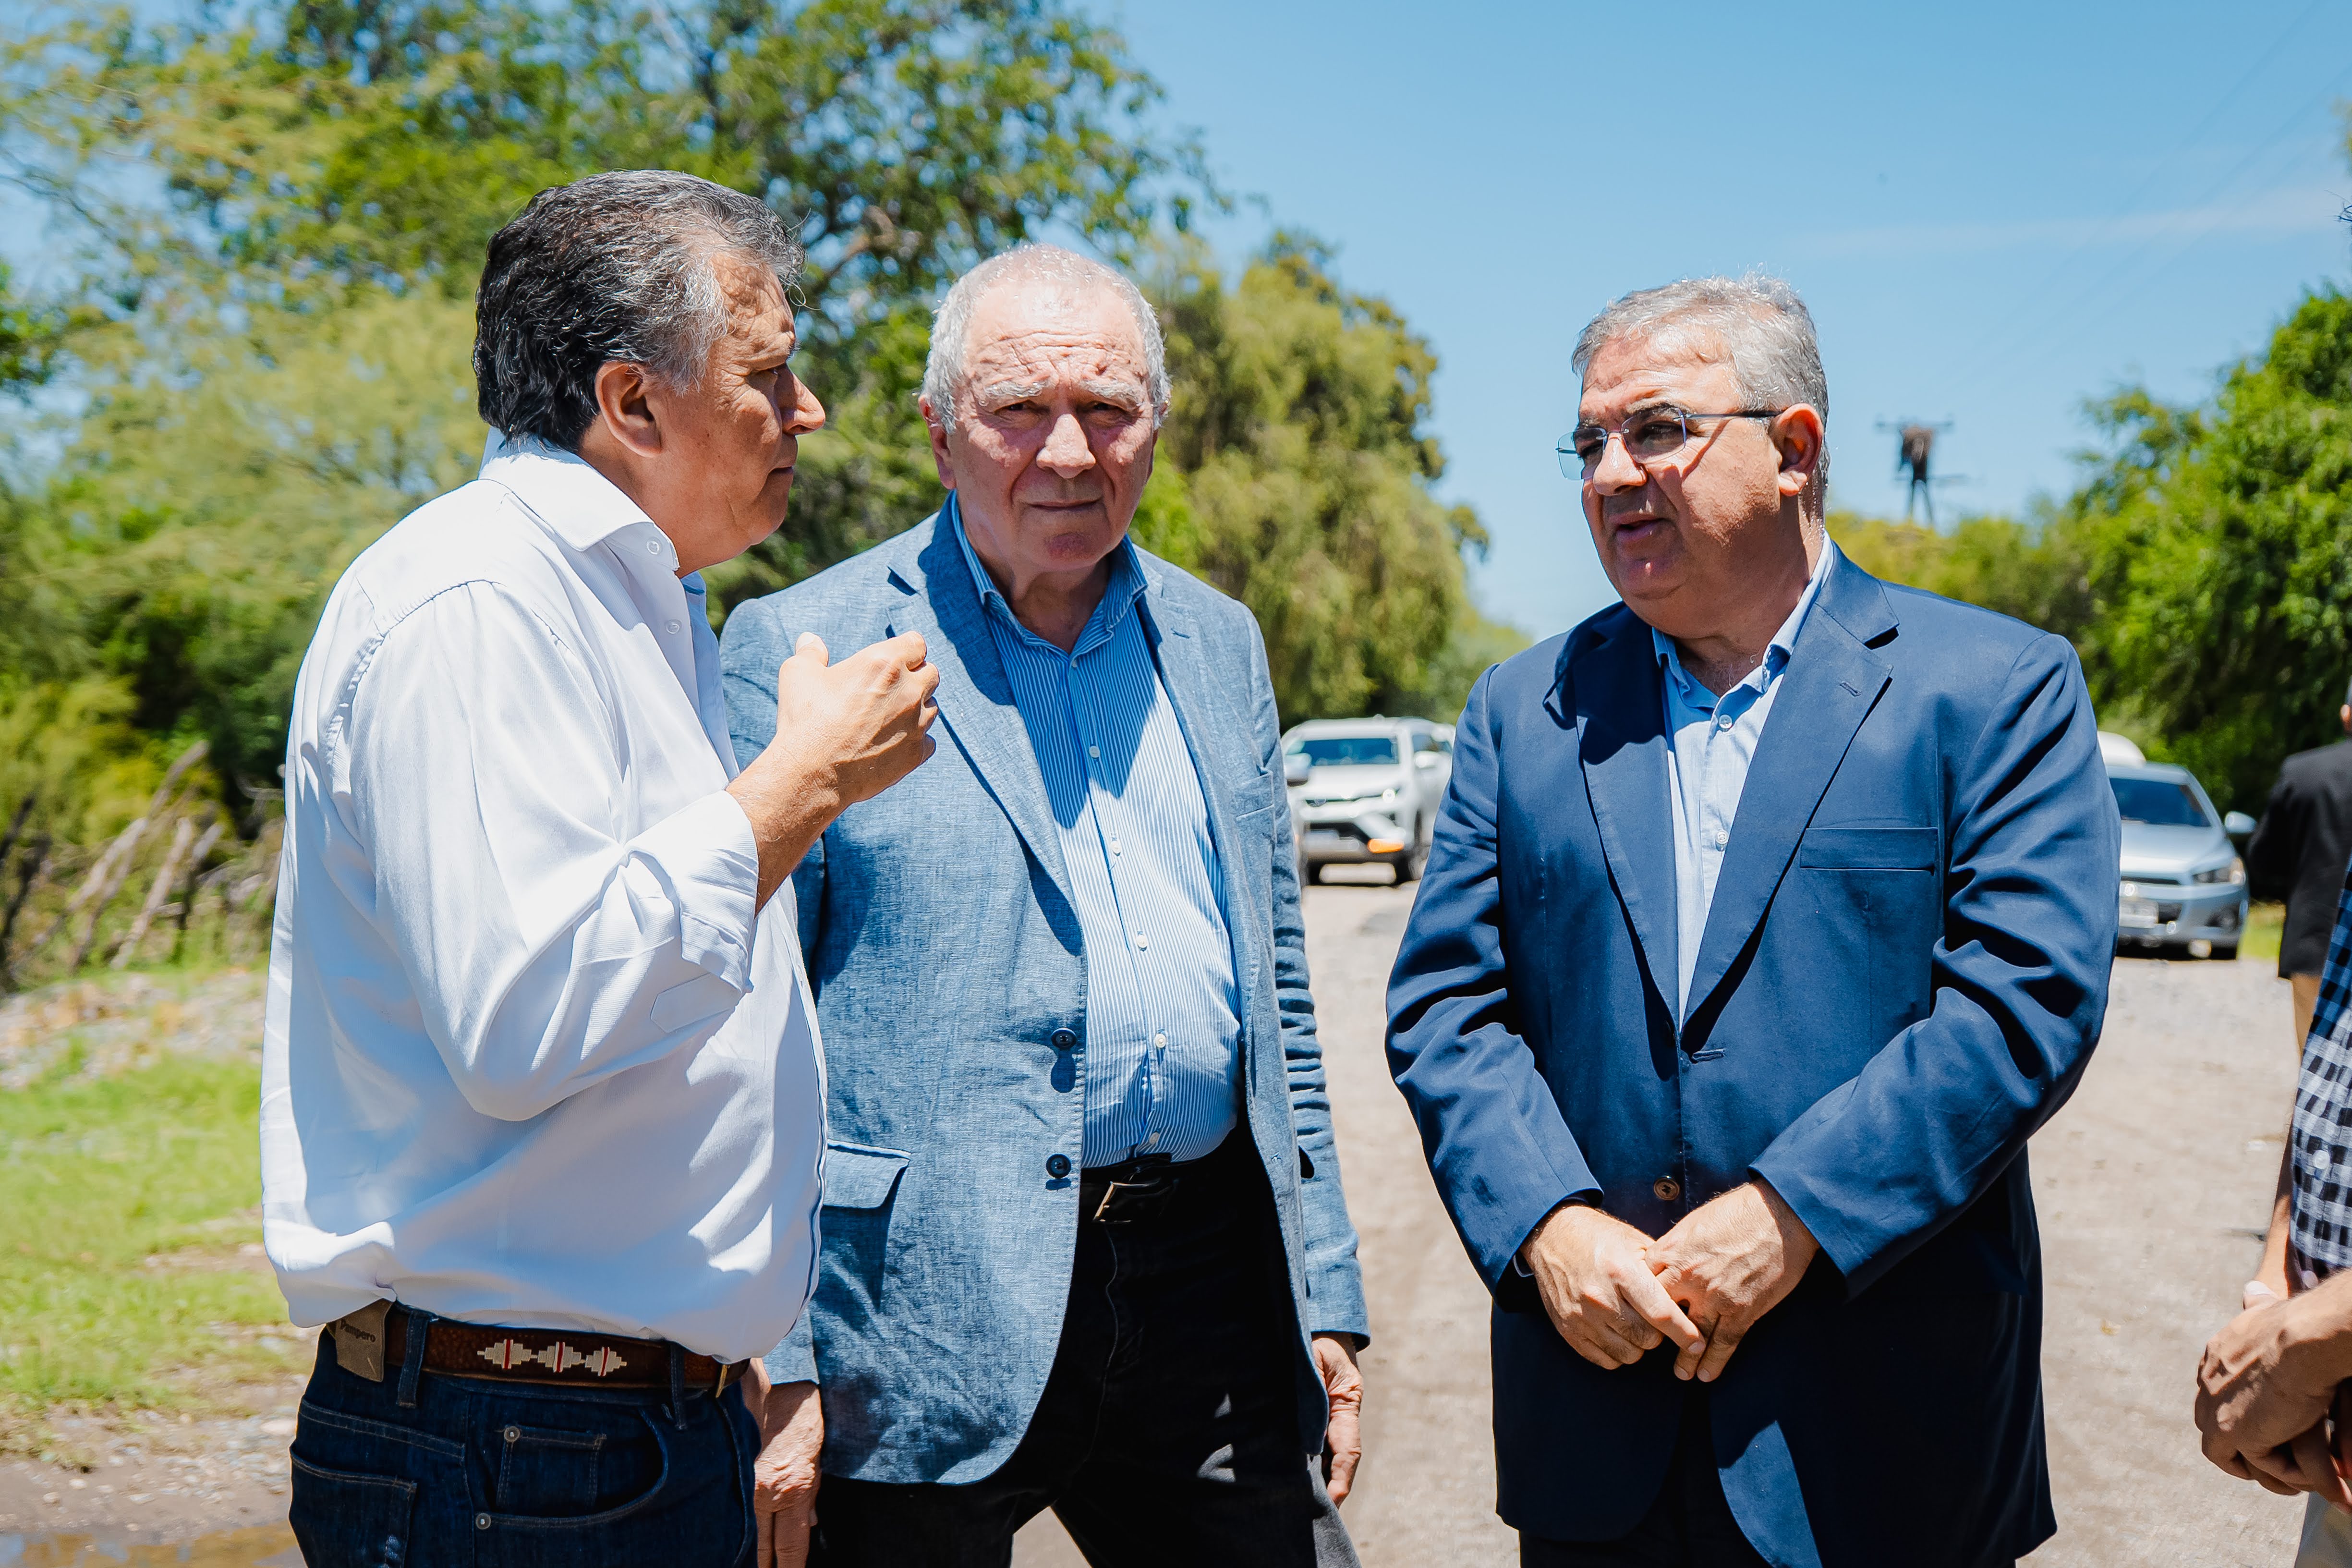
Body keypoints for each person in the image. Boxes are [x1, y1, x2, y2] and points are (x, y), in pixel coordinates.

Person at [1384, 274, 2120, 1568]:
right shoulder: (1521, 710)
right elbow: (1448, 1004)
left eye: (1656, 430)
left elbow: (2021, 1005)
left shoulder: (1995, 689)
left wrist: (1791, 1215)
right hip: (1598, 1430)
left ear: (1793, 448)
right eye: (1588, 442)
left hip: (1879, 1444)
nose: (1610, 474)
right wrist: (1545, 1223)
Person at [261, 170, 939, 1568]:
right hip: (510, 1451)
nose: (808, 409)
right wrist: (802, 783)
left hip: (603, 1430)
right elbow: (527, 1015)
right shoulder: (478, 600)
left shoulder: (637, 603)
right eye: (769, 372)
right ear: (632, 403)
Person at [719, 243, 1368, 1568]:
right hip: (917, 1306)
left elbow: (1279, 1001)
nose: (1068, 452)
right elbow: (745, 1024)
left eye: (1107, 408)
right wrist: (776, 1352)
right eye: (1020, 409)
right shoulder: (804, 643)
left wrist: (1326, 1286)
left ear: (1155, 426)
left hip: (1203, 1283)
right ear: (939, 433)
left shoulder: (1217, 640)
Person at [2247, 683, 2352, 1049]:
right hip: (2316, 942)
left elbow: (2263, 859)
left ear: (2346, 713)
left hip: (2315, 939)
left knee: (2316, 1059)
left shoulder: (2303, 772)